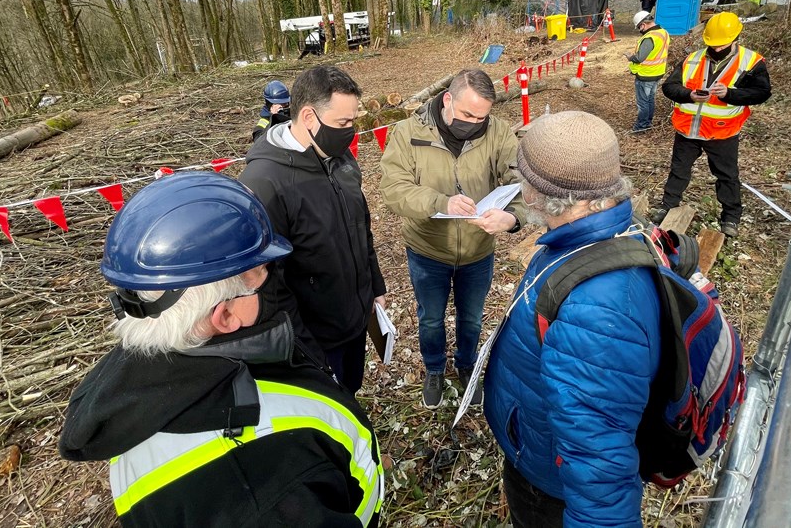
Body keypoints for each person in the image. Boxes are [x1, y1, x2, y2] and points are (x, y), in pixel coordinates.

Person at [58, 172, 384, 527]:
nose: (273, 278)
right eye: (261, 272)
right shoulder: (263, 494)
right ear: (225, 315)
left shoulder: (135, 385)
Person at [483, 111, 660, 527]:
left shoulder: (596, 311)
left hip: (550, 488)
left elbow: (600, 461)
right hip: (537, 446)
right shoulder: (598, 235)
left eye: (521, 174)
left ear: (534, 193)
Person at [379, 69, 524, 409]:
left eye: (482, 117)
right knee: (430, 317)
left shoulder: (499, 133)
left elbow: (520, 179)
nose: (475, 123)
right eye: (467, 114)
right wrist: (440, 202)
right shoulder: (408, 133)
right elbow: (393, 190)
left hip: (477, 250)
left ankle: (467, 366)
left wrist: (513, 217)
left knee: (471, 317)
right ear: (447, 99)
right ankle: (434, 369)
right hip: (428, 249)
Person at [240, 66, 386, 394]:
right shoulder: (264, 184)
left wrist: (374, 287)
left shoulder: (340, 157)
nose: (351, 132)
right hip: (315, 338)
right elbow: (267, 284)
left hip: (355, 318)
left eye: (353, 121)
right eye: (343, 124)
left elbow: (361, 226)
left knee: (351, 390)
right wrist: (310, 353)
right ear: (308, 117)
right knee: (332, 405)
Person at [651, 11, 772, 237]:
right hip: (688, 130)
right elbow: (670, 87)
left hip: (722, 132)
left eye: (721, 45)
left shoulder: (751, 62)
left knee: (727, 175)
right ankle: (667, 206)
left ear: (736, 38)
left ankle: (731, 217)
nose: (716, 49)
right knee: (678, 171)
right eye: (712, 45)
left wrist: (730, 95)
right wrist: (689, 95)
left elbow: (761, 93)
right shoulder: (693, 59)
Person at [625, 11, 670, 133]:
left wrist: (630, 57)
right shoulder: (663, 33)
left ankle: (642, 126)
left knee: (643, 103)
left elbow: (640, 58)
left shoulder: (650, 37)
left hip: (646, 75)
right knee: (650, 100)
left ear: (643, 24)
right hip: (657, 72)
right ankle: (648, 122)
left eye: (639, 27)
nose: (640, 30)